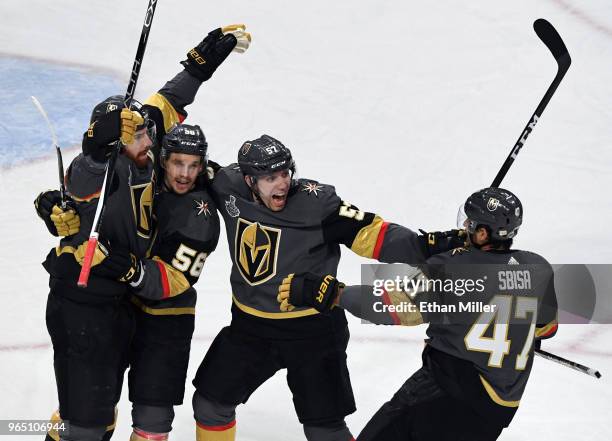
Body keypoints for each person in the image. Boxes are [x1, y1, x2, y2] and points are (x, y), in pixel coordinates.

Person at [34, 25, 249, 441]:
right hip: (94, 305)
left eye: (149, 132)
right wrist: (94, 154)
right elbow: (82, 181)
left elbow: (168, 101)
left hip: (151, 308)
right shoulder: (104, 166)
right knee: (87, 419)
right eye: (134, 135)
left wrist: (198, 68)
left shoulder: (157, 151)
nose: (147, 137)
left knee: (148, 421)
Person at [190, 134, 465, 441]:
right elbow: (184, 165)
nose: (281, 183)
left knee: (324, 428)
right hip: (249, 328)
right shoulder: (227, 185)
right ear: (249, 180)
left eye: (285, 173)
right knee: (209, 404)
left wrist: (424, 246)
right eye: (270, 178)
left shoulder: (316, 203)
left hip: (314, 330)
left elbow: (372, 235)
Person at [278, 187, 559, 441]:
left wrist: (335, 294)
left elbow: (391, 306)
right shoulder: (537, 267)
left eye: (470, 223)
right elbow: (546, 328)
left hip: (445, 392)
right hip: (496, 411)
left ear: (483, 233)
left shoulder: (451, 269)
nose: (464, 226)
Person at [126, 124, 220, 441]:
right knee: (87, 411)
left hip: (167, 321)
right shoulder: (143, 170)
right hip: (117, 309)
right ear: (163, 159)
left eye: (193, 165)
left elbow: (171, 282)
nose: (185, 174)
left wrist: (126, 269)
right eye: (179, 163)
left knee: (152, 421)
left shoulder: (201, 216)